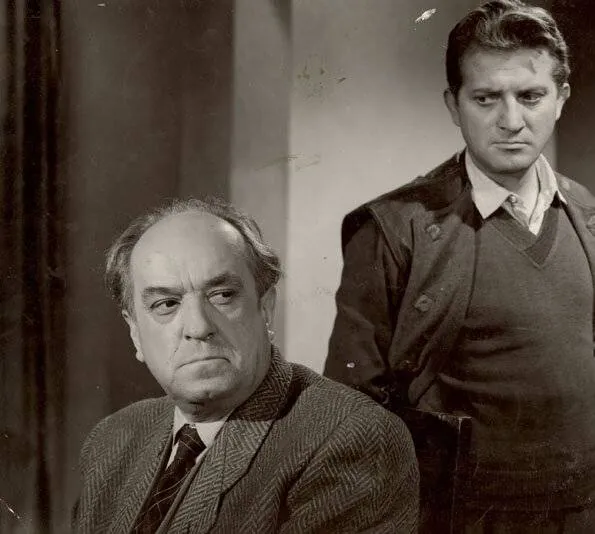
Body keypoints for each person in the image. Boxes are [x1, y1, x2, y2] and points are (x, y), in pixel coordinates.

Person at [324, 0, 595, 531]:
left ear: (561, 99)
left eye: (531, 96)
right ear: (454, 104)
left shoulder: (587, 215)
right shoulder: (390, 228)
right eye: (486, 98)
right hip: (460, 518)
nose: (511, 121)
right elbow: (351, 409)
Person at [72, 198, 419, 534]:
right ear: (135, 333)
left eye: (222, 295)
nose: (198, 327)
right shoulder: (111, 440)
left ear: (266, 309)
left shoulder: (351, 437)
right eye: (166, 304)